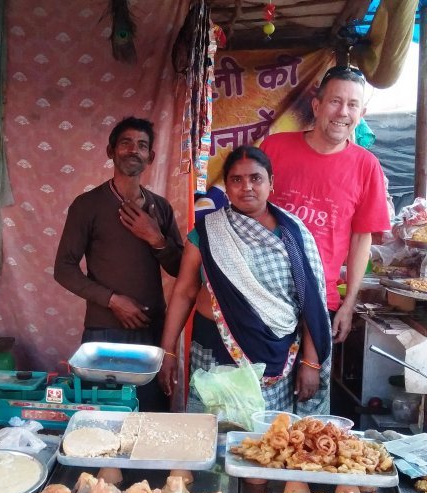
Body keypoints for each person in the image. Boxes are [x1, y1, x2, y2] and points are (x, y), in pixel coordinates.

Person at [158, 146, 332, 415]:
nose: (246, 187)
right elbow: (184, 292)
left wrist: (311, 361)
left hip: (275, 354)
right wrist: (167, 350)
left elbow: (311, 303)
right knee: (211, 432)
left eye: (255, 178)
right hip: (213, 353)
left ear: (271, 183)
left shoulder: (295, 236)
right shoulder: (208, 231)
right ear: (226, 186)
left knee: (265, 441)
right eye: (236, 180)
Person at [54, 116, 184, 411]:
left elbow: (178, 268)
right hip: (104, 332)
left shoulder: (160, 207)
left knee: (151, 416)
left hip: (152, 331)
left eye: (141, 145)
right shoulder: (87, 205)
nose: (133, 150)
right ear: (110, 150)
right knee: (104, 415)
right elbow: (63, 268)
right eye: (125, 143)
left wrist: (156, 238)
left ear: (150, 157)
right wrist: (112, 300)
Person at [261, 66, 391, 342]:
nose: (343, 112)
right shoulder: (274, 148)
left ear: (361, 115)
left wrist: (349, 304)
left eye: (352, 104)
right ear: (317, 106)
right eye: (335, 101)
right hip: (263, 294)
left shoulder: (367, 167)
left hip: (322, 301)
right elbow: (249, 215)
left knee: (311, 381)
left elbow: (361, 239)